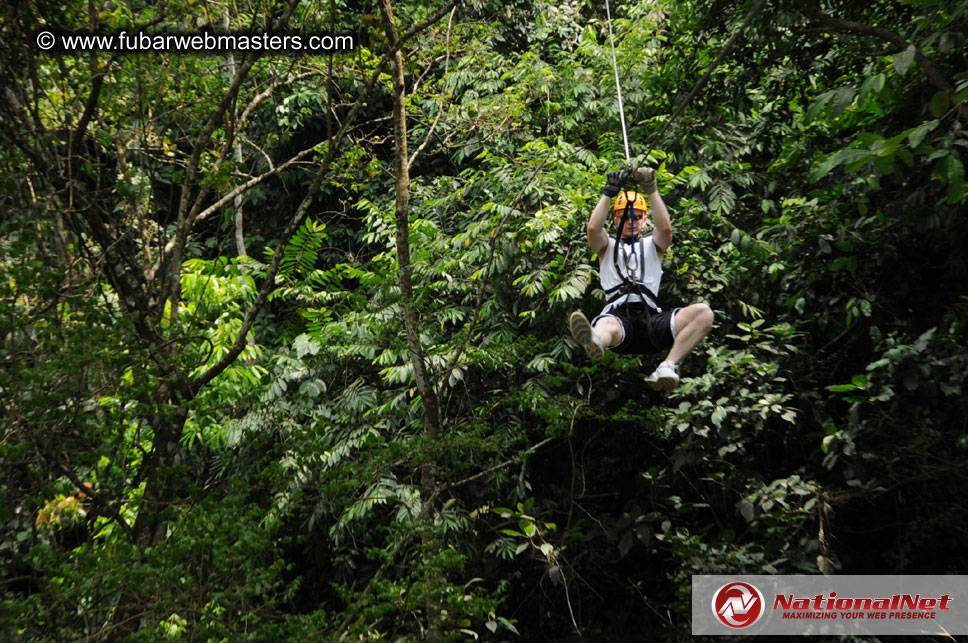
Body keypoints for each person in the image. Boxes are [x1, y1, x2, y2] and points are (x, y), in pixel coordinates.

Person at [569, 166, 714, 391]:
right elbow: (593, 228)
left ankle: (668, 366)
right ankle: (596, 340)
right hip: (619, 317)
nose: (631, 220)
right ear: (616, 220)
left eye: (637, 216)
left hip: (650, 319)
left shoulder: (653, 245)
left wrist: (651, 189)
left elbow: (665, 229)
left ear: (645, 219)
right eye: (625, 216)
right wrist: (609, 192)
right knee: (606, 323)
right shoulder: (607, 246)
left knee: (704, 313)